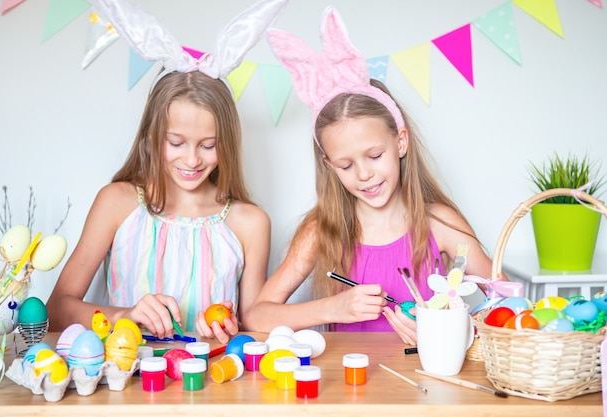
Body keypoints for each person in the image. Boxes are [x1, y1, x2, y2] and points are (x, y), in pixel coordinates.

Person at [243, 6, 506, 345]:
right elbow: (256, 316)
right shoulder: (322, 229)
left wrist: (451, 328)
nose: (364, 174)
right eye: (346, 165)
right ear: (327, 164)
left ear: (400, 140)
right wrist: (332, 308)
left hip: (429, 386)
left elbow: (505, 302)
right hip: (349, 390)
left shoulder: (438, 223)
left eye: (374, 155)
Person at [46, 0, 287, 344]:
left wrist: (231, 328)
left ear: (229, 144)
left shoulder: (249, 224)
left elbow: (255, 325)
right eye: (176, 142)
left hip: (211, 388)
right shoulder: (117, 203)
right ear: (150, 136)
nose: (192, 160)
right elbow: (57, 309)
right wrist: (123, 316)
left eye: (208, 145)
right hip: (127, 384)